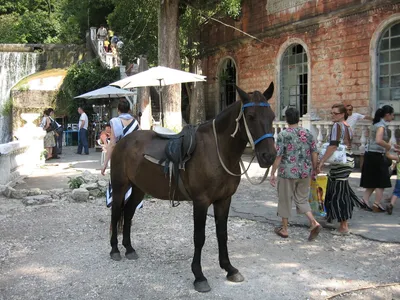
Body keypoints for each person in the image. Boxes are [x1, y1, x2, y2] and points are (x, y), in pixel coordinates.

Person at [269, 108, 322, 241]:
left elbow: (279, 156)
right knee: (302, 199)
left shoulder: (283, 135)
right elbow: (314, 152)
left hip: (287, 172)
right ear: (298, 118)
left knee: (285, 199)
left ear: (286, 119)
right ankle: (313, 222)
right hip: (305, 171)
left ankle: (285, 229)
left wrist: (272, 172)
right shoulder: (308, 133)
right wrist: (315, 168)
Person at [318, 104, 368, 235]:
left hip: (341, 163)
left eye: (335, 113)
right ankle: (330, 216)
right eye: (332, 113)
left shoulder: (337, 126)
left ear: (341, 114)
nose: (332, 115)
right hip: (347, 161)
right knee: (335, 188)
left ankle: (343, 225)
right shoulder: (347, 126)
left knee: (339, 192)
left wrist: (322, 160)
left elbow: (333, 146)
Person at [101, 98, 140, 208]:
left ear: (118, 110)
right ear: (129, 110)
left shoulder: (115, 121)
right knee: (131, 185)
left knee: (117, 185)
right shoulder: (135, 122)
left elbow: (112, 144)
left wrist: (105, 164)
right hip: (132, 159)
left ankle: (116, 212)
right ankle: (128, 212)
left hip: (119, 158)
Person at [360, 105, 398, 212]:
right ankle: (377, 204)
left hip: (371, 154)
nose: (393, 117)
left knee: (373, 180)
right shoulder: (381, 126)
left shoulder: (375, 124)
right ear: (387, 115)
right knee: (382, 181)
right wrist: (388, 146)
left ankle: (364, 200)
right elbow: (378, 140)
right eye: (392, 114)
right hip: (376, 155)